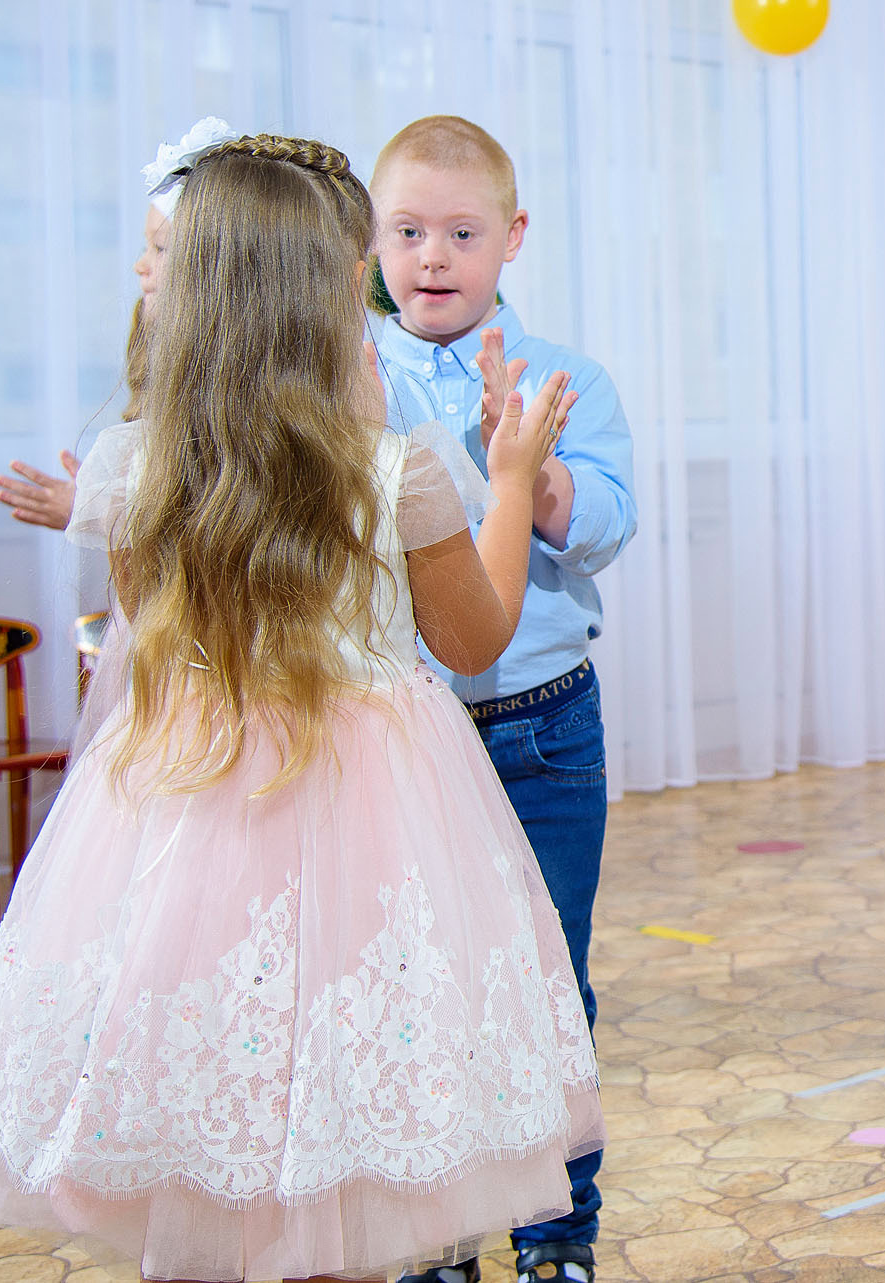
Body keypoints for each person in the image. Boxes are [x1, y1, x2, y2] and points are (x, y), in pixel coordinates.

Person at [0, 133, 604, 1282]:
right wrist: (506, 481)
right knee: (344, 1100)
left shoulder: (135, 467)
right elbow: (476, 635)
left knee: (211, 1106)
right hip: (369, 816)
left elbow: (155, 632)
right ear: (336, 295)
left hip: (185, 807)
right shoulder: (396, 471)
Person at [366, 115, 636, 1283]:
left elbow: (612, 524)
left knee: (545, 983)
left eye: (461, 232)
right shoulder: (349, 375)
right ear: (370, 243)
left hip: (542, 727)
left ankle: (555, 1233)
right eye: (408, 231)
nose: (433, 256)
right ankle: (438, 1234)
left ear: (511, 238)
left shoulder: (567, 377)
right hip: (398, 738)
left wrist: (535, 470)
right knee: (415, 989)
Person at [0, 118, 238, 531]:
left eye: (160, 248)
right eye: (146, 246)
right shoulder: (159, 363)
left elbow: (204, 528)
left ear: (214, 272)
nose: (140, 265)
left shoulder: (229, 405)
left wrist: (102, 514)